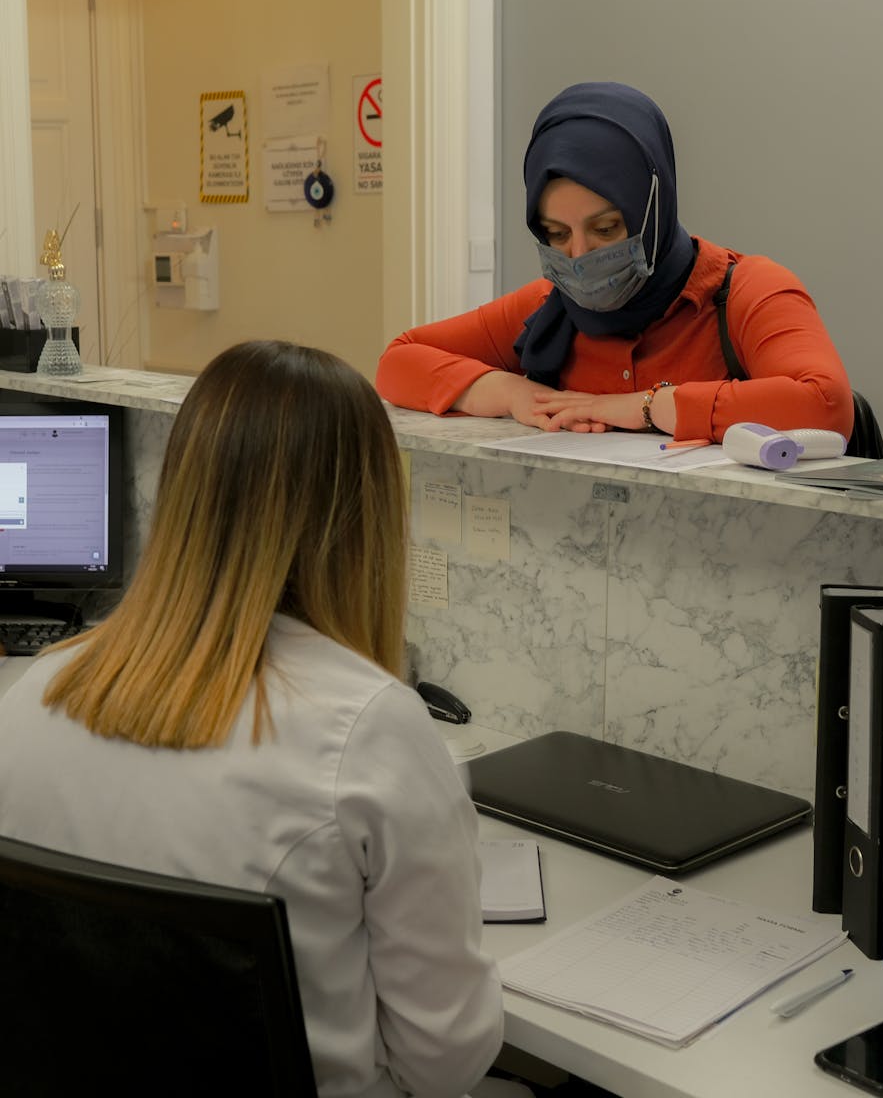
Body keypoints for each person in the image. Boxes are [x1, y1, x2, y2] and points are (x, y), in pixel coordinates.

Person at [0, 341, 506, 1098]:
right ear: (366, 515)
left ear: (182, 490)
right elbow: (444, 1062)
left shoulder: (40, 691)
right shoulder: (368, 729)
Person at [376, 82, 853, 444]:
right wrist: (511, 394)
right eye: (556, 235)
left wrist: (647, 407)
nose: (580, 258)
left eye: (605, 229)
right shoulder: (548, 309)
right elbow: (398, 362)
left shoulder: (746, 291)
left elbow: (826, 404)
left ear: (654, 207)